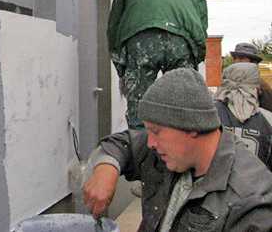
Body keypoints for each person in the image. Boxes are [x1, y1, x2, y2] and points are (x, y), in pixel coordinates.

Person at [83, 68, 272, 232]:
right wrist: (106, 169)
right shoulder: (172, 150)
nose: (150, 143)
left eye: (156, 131)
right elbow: (123, 143)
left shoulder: (250, 202)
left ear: (193, 127)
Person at [107, 0, 208, 128]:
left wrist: (120, 64)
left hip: (140, 39)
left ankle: (140, 139)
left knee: (139, 103)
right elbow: (202, 22)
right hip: (181, 41)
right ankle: (179, 138)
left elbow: (114, 22)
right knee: (181, 100)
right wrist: (197, 55)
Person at [215, 62, 272, 171]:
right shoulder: (268, 118)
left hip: (214, 180)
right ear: (256, 87)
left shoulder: (208, 112)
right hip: (257, 180)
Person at [230, 42, 272, 111]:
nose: (236, 61)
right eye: (235, 58)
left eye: (241, 58)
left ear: (253, 62)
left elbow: (268, 113)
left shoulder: (261, 86)